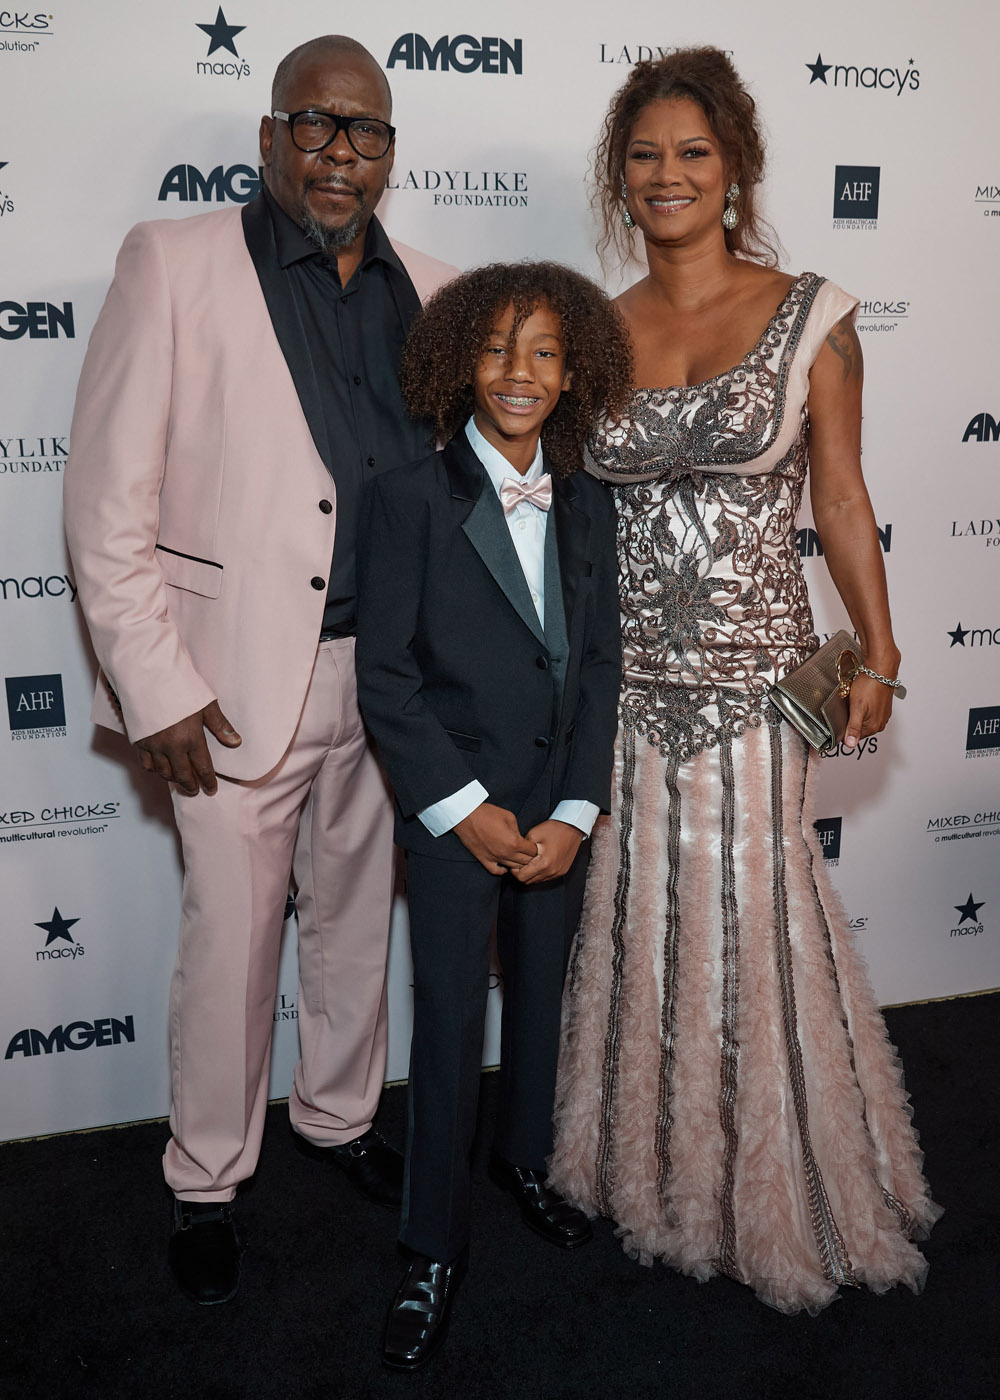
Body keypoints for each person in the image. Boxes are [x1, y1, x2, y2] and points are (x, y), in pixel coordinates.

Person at [63, 35, 457, 1305]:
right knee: (231, 940)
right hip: (226, 687)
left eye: (368, 130)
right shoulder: (171, 263)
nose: (342, 150)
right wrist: (155, 684)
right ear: (270, 137)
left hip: (389, 681)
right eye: (317, 123)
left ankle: (338, 1120)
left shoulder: (438, 290)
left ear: (392, 153)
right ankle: (206, 1175)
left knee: (353, 923)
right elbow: (104, 504)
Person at [549, 48, 941, 1315]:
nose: (667, 176)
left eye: (692, 155)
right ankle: (658, 1180)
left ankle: (791, 1190)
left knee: (758, 922)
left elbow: (838, 495)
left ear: (736, 172)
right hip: (625, 696)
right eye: (645, 156)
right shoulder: (592, 328)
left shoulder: (811, 314)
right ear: (622, 177)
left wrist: (877, 654)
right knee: (640, 924)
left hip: (754, 693)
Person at [355, 263, 631, 1367]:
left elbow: (601, 664)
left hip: (555, 806)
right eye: (498, 349)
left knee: (545, 1006)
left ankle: (525, 1159)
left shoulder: (589, 498)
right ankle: (431, 1244)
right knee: (450, 1022)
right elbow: (386, 678)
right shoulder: (407, 498)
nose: (520, 373)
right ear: (458, 359)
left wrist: (575, 806)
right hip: (455, 814)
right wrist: (464, 809)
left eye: (546, 353)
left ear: (575, 376)